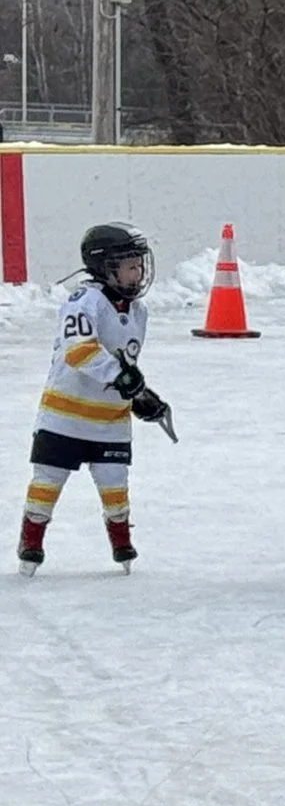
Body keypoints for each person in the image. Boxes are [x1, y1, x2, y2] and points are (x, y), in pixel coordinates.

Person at [19, 223, 168, 574]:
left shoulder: (138, 312)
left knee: (116, 487)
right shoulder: (83, 302)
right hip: (63, 418)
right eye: (129, 264)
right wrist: (124, 379)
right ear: (104, 267)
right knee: (47, 483)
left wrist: (140, 396)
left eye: (139, 263)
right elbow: (80, 352)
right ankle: (31, 542)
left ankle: (121, 543)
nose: (139, 271)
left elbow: (124, 365)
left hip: (110, 423)